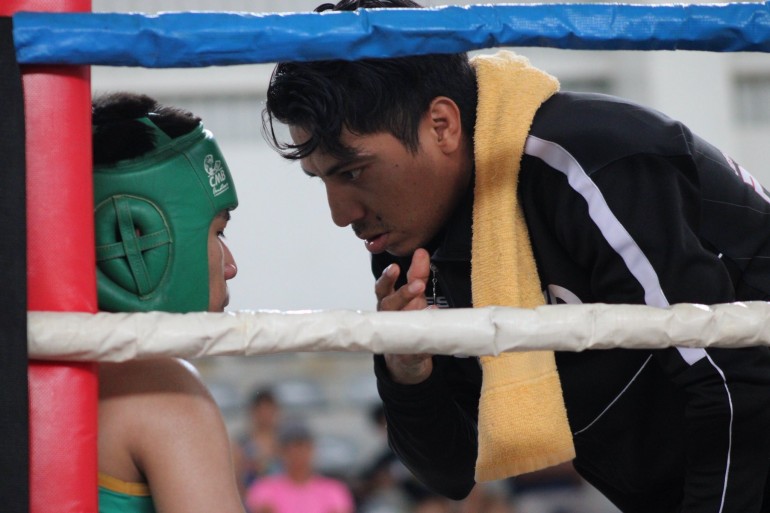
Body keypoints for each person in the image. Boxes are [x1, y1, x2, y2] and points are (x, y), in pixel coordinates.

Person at [261, 1, 770, 512]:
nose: (340, 214)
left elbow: (732, 381)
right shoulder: (413, 243)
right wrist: (409, 374)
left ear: (442, 125)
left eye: (352, 172)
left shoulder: (594, 165)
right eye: (321, 180)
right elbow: (453, 470)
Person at [92, 92, 245, 513]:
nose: (231, 266)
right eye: (217, 233)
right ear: (137, 236)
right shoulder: (162, 389)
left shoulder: (29, 354)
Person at [244, 419, 355, 513]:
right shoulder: (263, 488)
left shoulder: (334, 490)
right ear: (281, 451)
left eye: (303, 447)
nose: (298, 453)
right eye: (292, 448)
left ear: (312, 449)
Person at [232, 387, 284, 498]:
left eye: (269, 410)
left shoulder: (285, 443)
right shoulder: (242, 444)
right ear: (253, 412)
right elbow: (236, 478)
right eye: (261, 410)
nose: (265, 415)